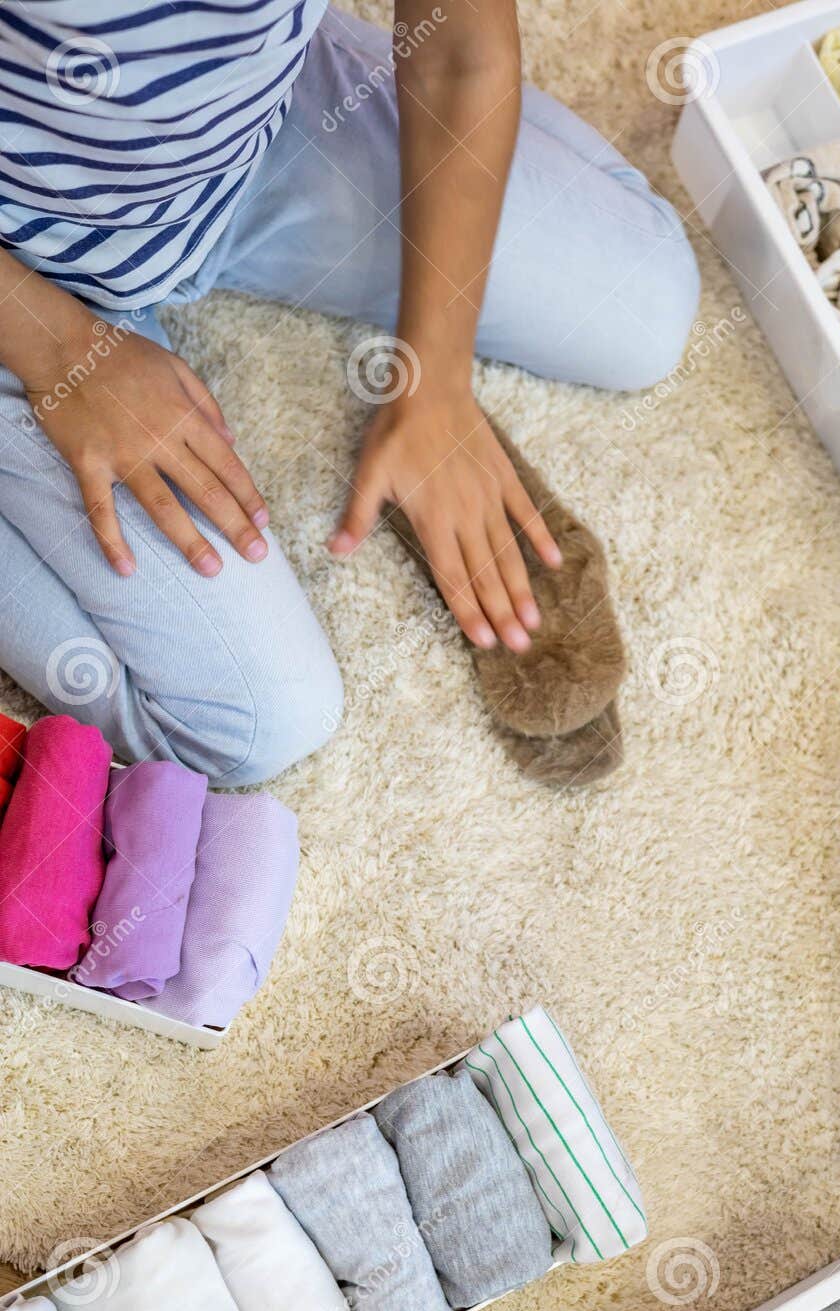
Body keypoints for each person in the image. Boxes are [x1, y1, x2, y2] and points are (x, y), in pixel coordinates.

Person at [0, 2, 699, 784]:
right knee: (260, 725)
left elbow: (458, 47)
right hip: (23, 261)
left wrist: (435, 379)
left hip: (250, 139)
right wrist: (62, 347)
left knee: (648, 307)